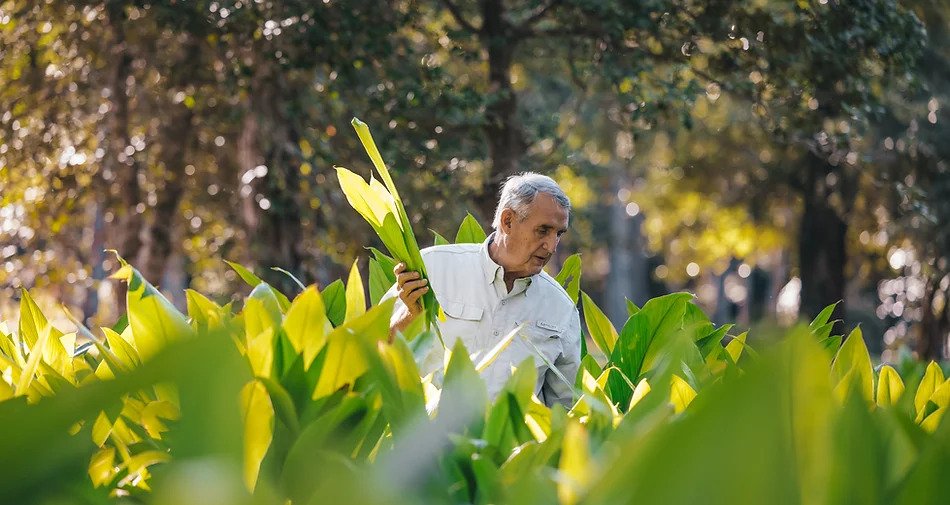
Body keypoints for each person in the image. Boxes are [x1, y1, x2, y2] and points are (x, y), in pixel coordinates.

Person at [386, 172, 580, 408]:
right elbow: (372, 355)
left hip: (512, 445)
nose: (551, 246)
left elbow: (565, 407)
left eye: (559, 234)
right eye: (543, 230)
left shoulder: (560, 308)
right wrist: (409, 316)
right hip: (429, 440)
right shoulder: (432, 269)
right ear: (508, 221)